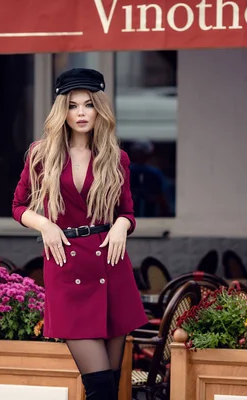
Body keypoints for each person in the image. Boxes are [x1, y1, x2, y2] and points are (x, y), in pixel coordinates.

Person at [12, 68, 148, 399]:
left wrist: (121, 225)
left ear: (99, 109)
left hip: (110, 267)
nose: (82, 113)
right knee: (99, 385)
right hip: (66, 266)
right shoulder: (40, 155)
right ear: (63, 111)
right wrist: (45, 225)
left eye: (88, 105)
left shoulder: (116, 158)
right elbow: (18, 206)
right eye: (73, 106)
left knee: (109, 388)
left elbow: (128, 212)